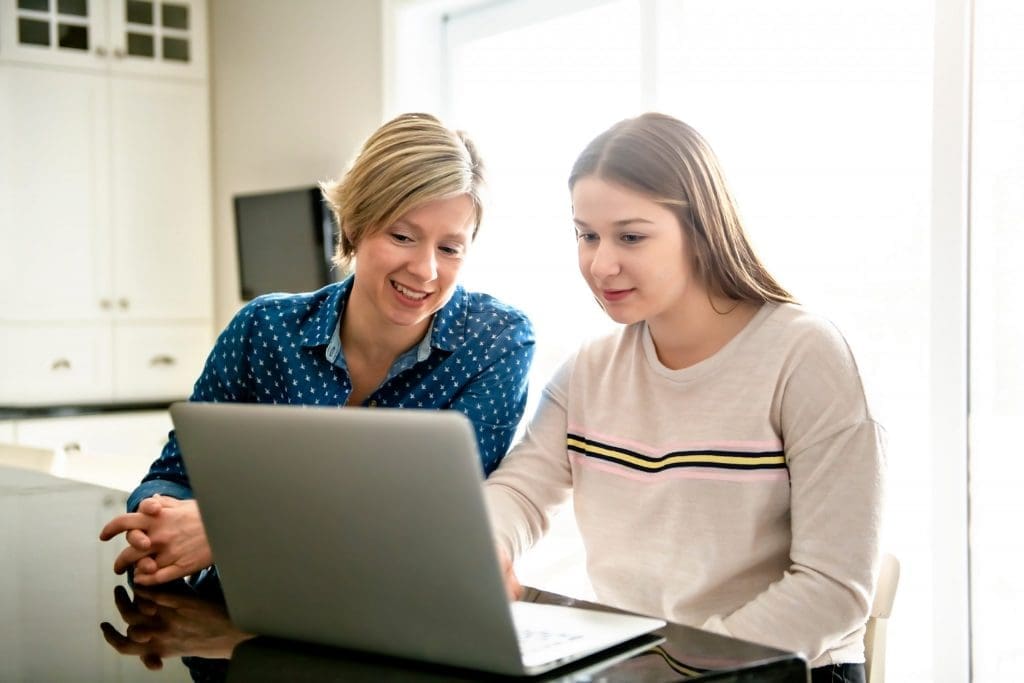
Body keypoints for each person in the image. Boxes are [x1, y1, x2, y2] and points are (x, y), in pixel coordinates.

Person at [485, 113, 884, 683]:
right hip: (643, 667)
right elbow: (521, 491)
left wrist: (685, 666)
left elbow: (835, 587)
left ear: (700, 230)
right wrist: (487, 544)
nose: (601, 264)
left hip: (777, 670)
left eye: (630, 236)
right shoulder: (590, 369)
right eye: (586, 234)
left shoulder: (805, 356)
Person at [100, 113, 535, 587]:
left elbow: (433, 515)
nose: (426, 270)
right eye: (403, 237)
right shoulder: (263, 330)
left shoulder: (497, 341)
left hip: (400, 610)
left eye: (451, 248)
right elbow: (176, 473)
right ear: (353, 224)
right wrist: (157, 522)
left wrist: (232, 531)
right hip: (252, 608)